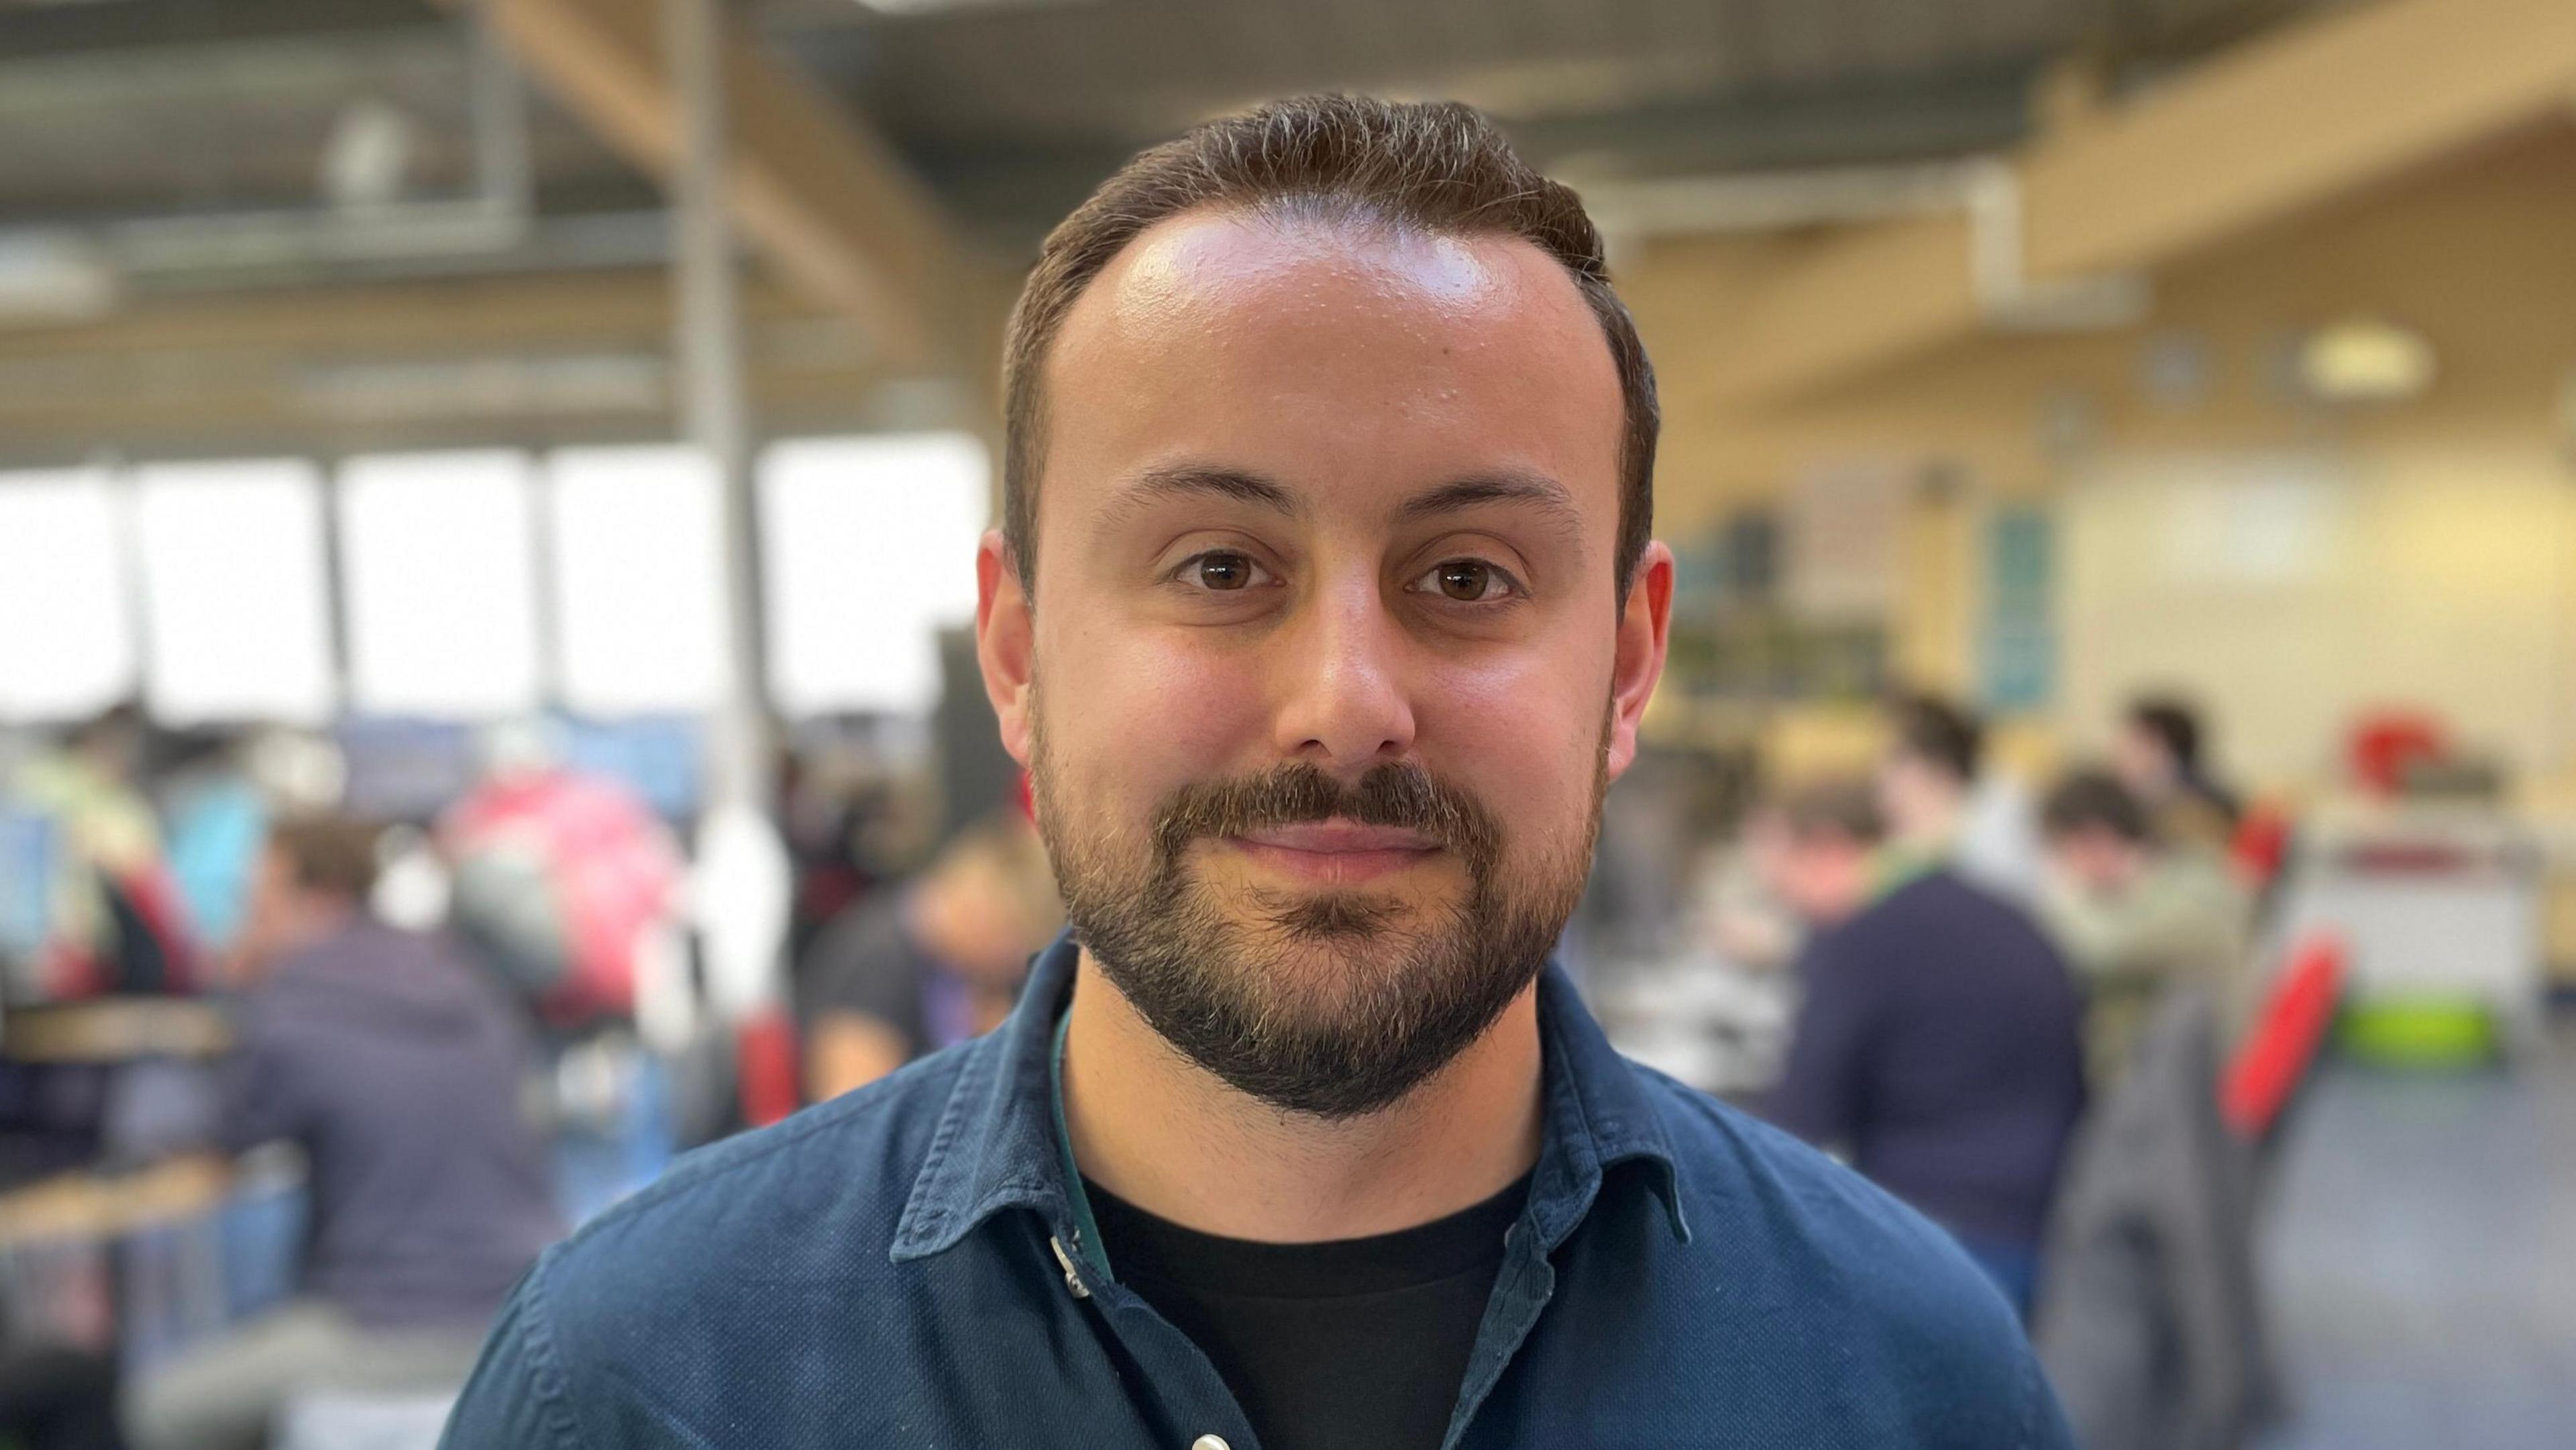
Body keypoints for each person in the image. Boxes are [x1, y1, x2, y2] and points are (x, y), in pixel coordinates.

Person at [444, 96, 2070, 1449]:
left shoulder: (1908, 1376)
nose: (1345, 701)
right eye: (1220, 567)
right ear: (1014, 652)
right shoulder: (636, 1386)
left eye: (1467, 577)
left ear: (1628, 660)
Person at [125, 817, 561, 1450]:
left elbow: (217, 1134)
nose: (249, 923)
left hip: (388, 1325)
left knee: (159, 1409)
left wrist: (244, 985)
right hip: (521, 1311)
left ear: (319, 899)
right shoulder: (464, 975)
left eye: (260, 904)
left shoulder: (298, 999)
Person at [1757, 780, 2087, 1316]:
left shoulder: (1860, 938)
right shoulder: (1991, 907)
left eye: (1781, 875)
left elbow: (1798, 1124)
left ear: (1826, 848)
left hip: (1947, 1235)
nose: (1783, 901)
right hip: (2045, 1220)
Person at [798, 811, 1062, 1100]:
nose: (1013, 968)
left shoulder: (957, 967)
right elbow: (851, 1112)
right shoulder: (881, 961)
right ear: (982, 914)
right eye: (1011, 947)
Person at [2037, 770, 2254, 1088]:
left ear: (2094, 838)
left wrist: (2064, 893)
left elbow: (2098, 951)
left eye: (2060, 851)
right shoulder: (2149, 892)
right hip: (2158, 1079)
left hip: (2173, 1098)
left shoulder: (2196, 890)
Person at [1878, 692, 2045, 902]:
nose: (1884, 777)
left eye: (1897, 760)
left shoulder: (1993, 829)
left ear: (1940, 771)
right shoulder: (1905, 847)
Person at [2114, 696, 2241, 854]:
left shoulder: (2195, 809)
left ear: (2160, 748)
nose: (2119, 755)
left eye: (2132, 745)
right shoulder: (2135, 799)